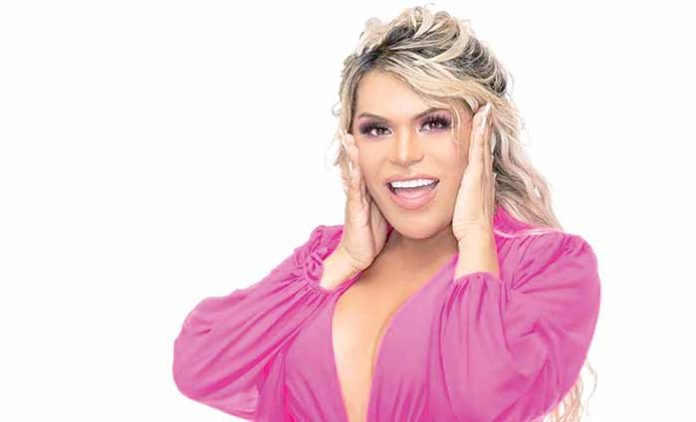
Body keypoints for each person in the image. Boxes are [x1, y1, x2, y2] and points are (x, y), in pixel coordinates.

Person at [172, 5, 601, 422]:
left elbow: (479, 403)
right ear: (353, 143)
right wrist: (345, 260)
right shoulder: (327, 257)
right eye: (377, 129)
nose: (404, 154)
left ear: (483, 133)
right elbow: (199, 367)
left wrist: (475, 235)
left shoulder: (551, 265)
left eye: (434, 123)